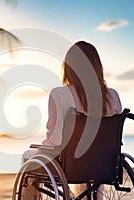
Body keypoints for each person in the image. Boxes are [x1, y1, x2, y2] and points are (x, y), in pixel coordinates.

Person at [22, 41, 122, 199]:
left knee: (28, 155)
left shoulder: (59, 95)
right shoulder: (112, 96)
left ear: (69, 67)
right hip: (104, 164)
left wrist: (43, 148)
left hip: (71, 164)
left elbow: (55, 140)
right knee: (94, 155)